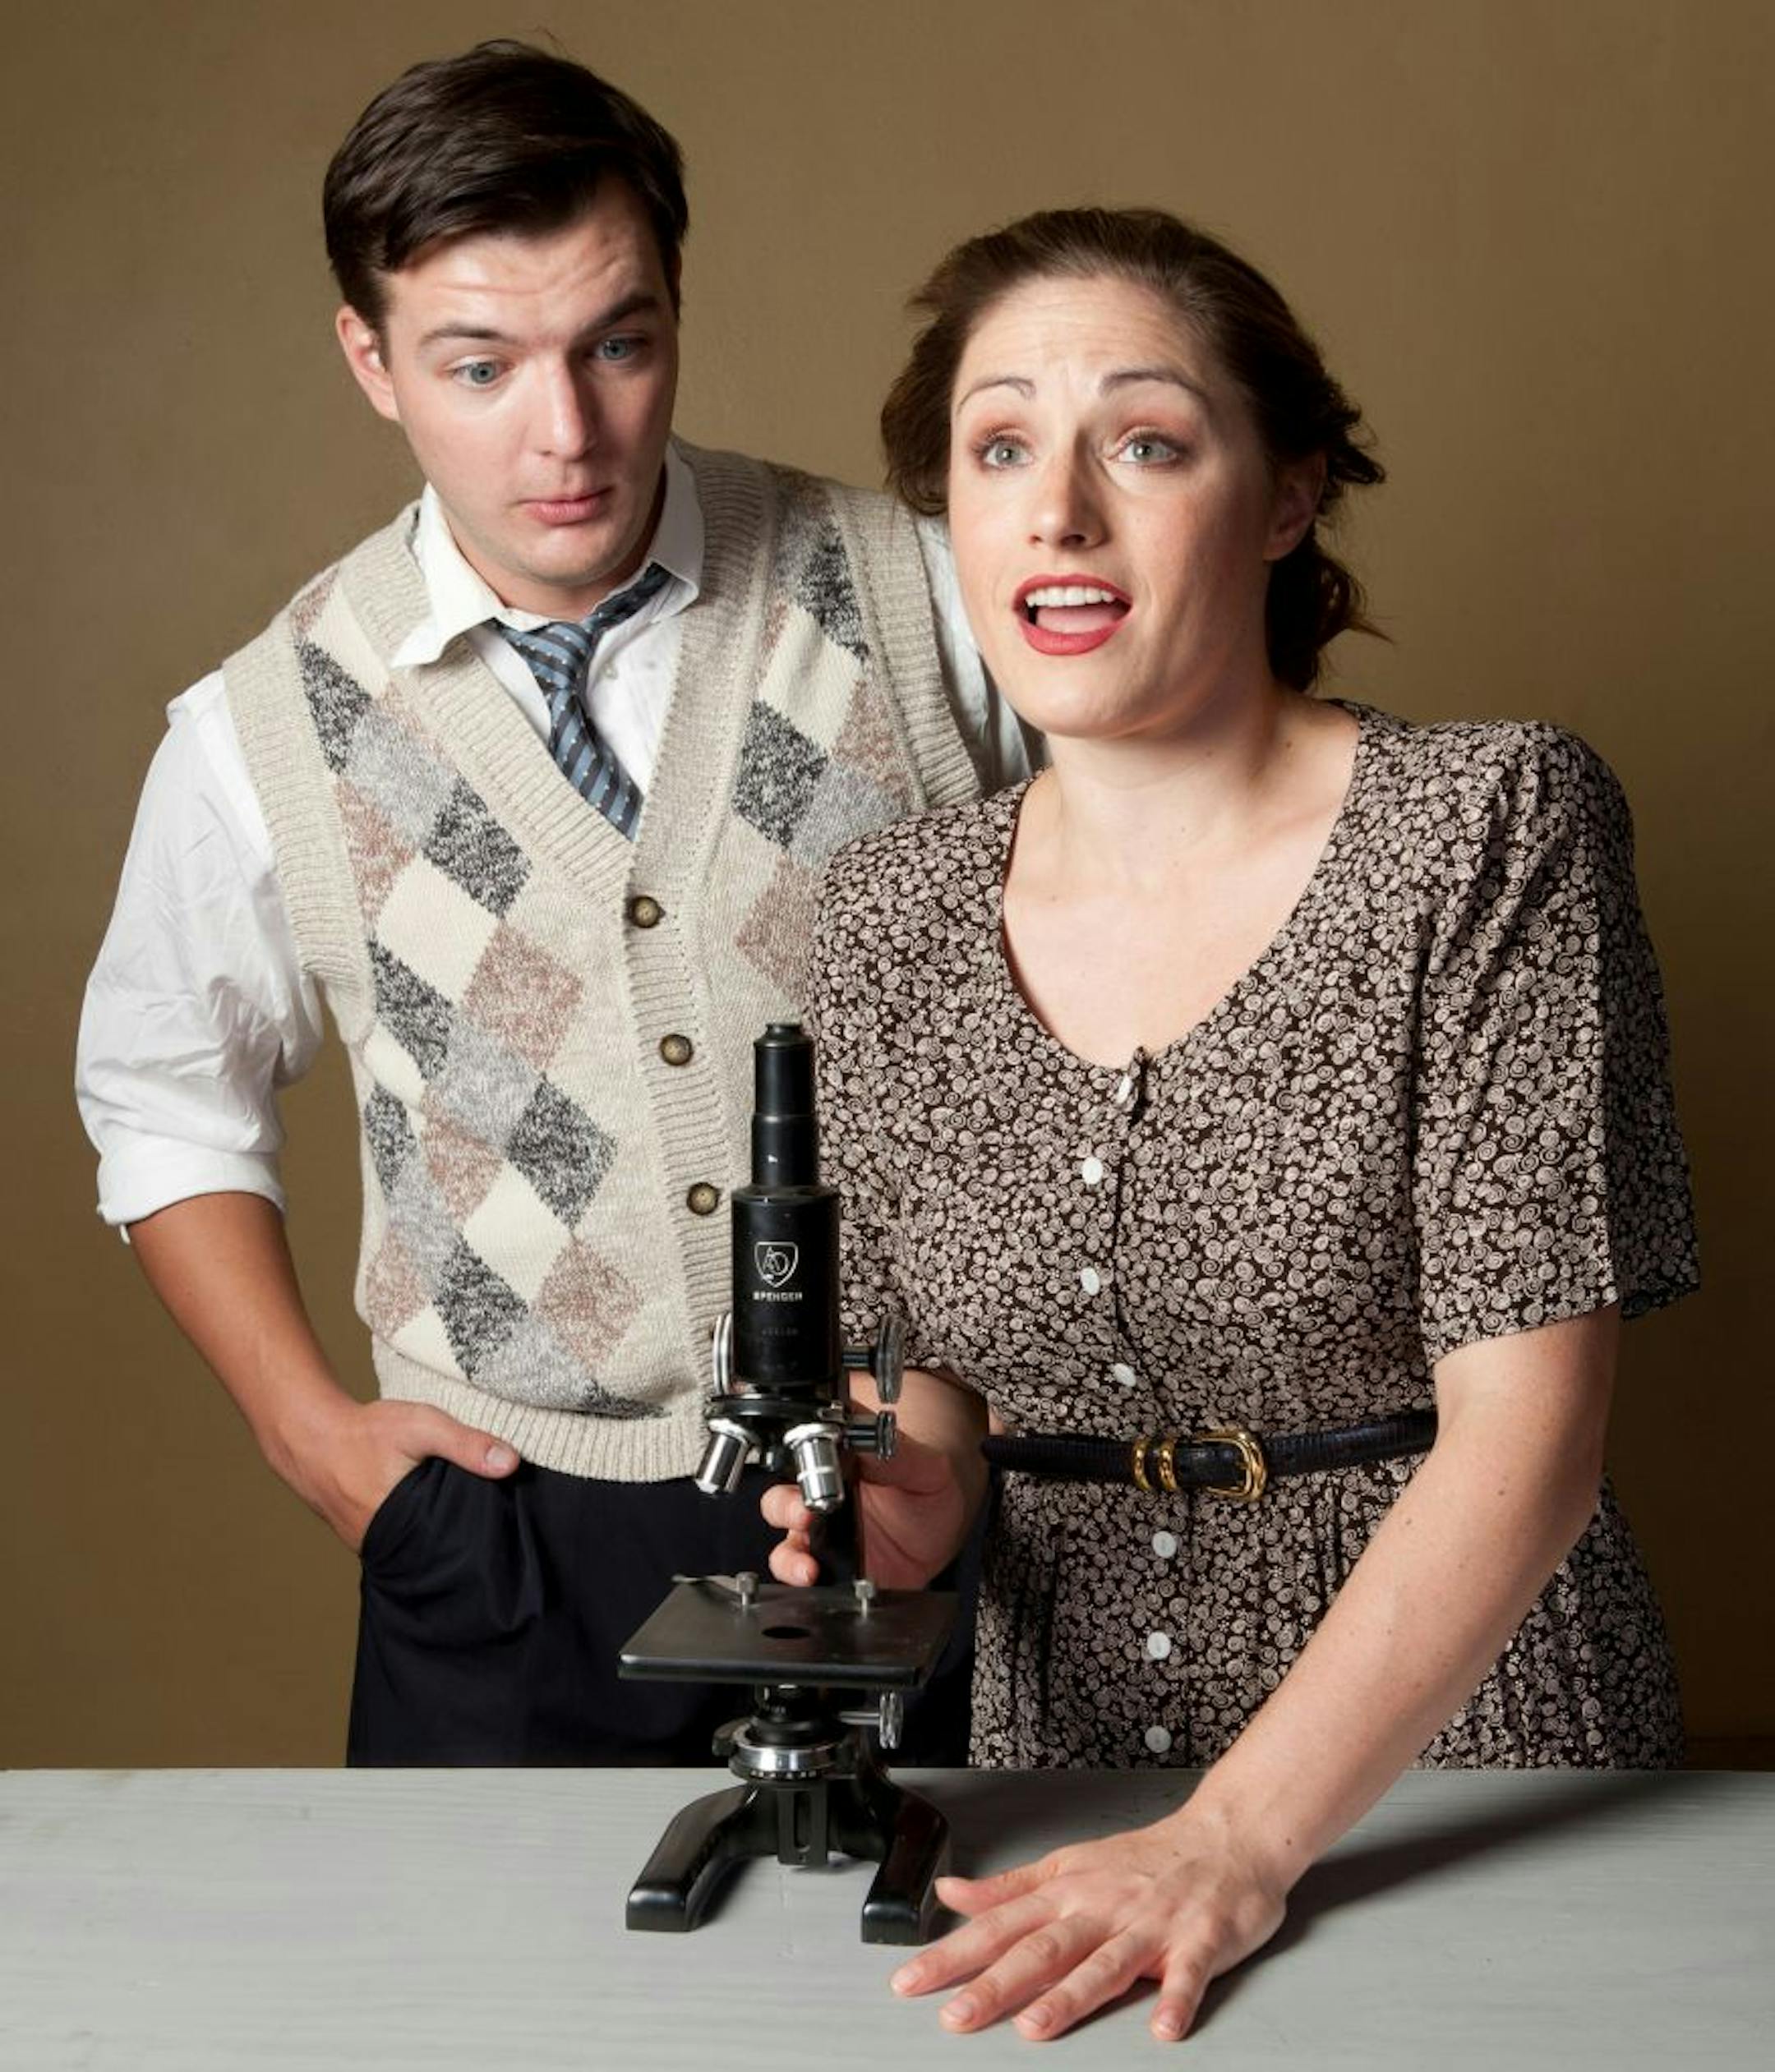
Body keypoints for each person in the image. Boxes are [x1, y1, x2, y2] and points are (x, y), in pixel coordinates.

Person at [763, 206, 1697, 2040]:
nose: (1061, 510)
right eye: (1002, 446)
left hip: (1473, 1782)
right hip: (1068, 1793)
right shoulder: (883, 920)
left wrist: (1237, 1837)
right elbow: (927, 1393)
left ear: (1287, 499)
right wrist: (898, 1498)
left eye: (1150, 442)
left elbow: (1536, 1439)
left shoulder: (1490, 829)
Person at [74, 41, 1030, 1767]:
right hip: (499, 1541)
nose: (567, 431)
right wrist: (315, 1440)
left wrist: (959, 1428)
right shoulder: (266, 726)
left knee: (932, 2026)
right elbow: (160, 1093)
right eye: (479, 364)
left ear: (675, 305)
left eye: (619, 343)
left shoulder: (921, 597)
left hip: (911, 1500)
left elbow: (1155, 953)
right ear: (369, 359)